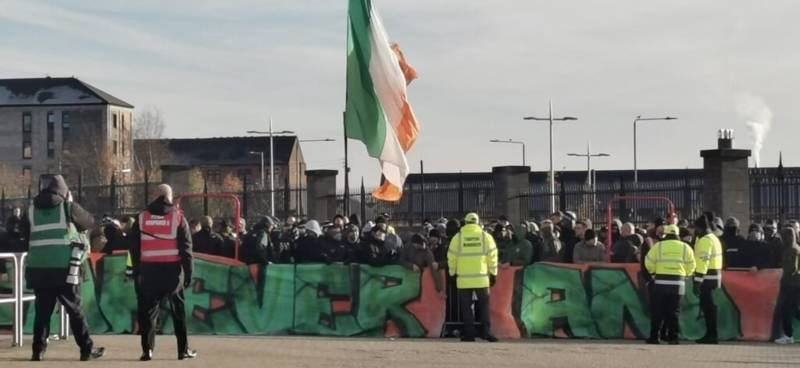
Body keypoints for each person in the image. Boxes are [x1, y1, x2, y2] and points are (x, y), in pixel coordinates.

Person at [23, 175, 105, 361]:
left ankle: (38, 351)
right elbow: (90, 222)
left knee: (42, 313)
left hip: (39, 268)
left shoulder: (31, 211)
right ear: (64, 191)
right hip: (65, 269)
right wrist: (71, 203)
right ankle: (86, 350)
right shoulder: (68, 207)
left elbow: (25, 235)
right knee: (75, 311)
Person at [130, 184, 196, 361]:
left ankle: (147, 350)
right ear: (170, 196)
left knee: (148, 312)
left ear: (155, 196)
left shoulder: (142, 217)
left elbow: (134, 248)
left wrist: (136, 270)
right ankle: (182, 350)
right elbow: (186, 248)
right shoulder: (178, 217)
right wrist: (189, 273)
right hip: (172, 271)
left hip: (149, 270)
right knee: (178, 310)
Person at [447, 213, 499, 342]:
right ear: (478, 222)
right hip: (482, 278)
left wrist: (452, 273)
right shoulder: (485, 237)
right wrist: (493, 273)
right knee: (484, 306)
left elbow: (451, 257)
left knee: (466, 307)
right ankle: (486, 332)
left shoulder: (457, 238)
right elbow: (492, 256)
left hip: (463, 280)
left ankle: (469, 334)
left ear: (465, 222)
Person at [644, 224, 696, 345]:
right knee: (674, 312)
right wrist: (686, 275)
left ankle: (654, 337)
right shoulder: (686, 247)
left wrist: (653, 272)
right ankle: (673, 338)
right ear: (678, 234)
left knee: (658, 311)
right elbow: (692, 265)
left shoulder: (658, 246)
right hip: (678, 283)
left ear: (666, 234)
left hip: (660, 282)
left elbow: (648, 262)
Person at [692, 213, 724, 344]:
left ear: (700, 228)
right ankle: (711, 334)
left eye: (696, 229)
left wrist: (697, 282)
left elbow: (702, 262)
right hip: (714, 277)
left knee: (708, 308)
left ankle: (711, 335)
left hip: (706, 278)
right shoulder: (714, 238)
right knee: (709, 308)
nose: (695, 232)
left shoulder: (705, 241)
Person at [776, 227, 800, 344]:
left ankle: (788, 335)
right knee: (794, 310)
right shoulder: (793, 249)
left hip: (791, 285)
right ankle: (788, 335)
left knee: (786, 309)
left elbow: (792, 269)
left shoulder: (792, 250)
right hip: (793, 284)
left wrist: (784, 281)